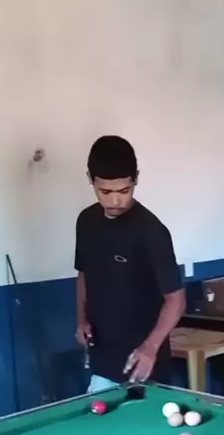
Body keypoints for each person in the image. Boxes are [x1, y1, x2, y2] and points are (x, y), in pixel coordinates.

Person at [75, 136, 185, 390]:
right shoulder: (86, 222)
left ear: (136, 178)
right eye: (105, 192)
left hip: (144, 366)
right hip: (103, 360)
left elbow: (176, 300)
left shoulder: (151, 231)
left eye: (124, 191)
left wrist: (150, 347)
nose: (115, 201)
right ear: (91, 179)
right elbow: (83, 274)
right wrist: (81, 319)